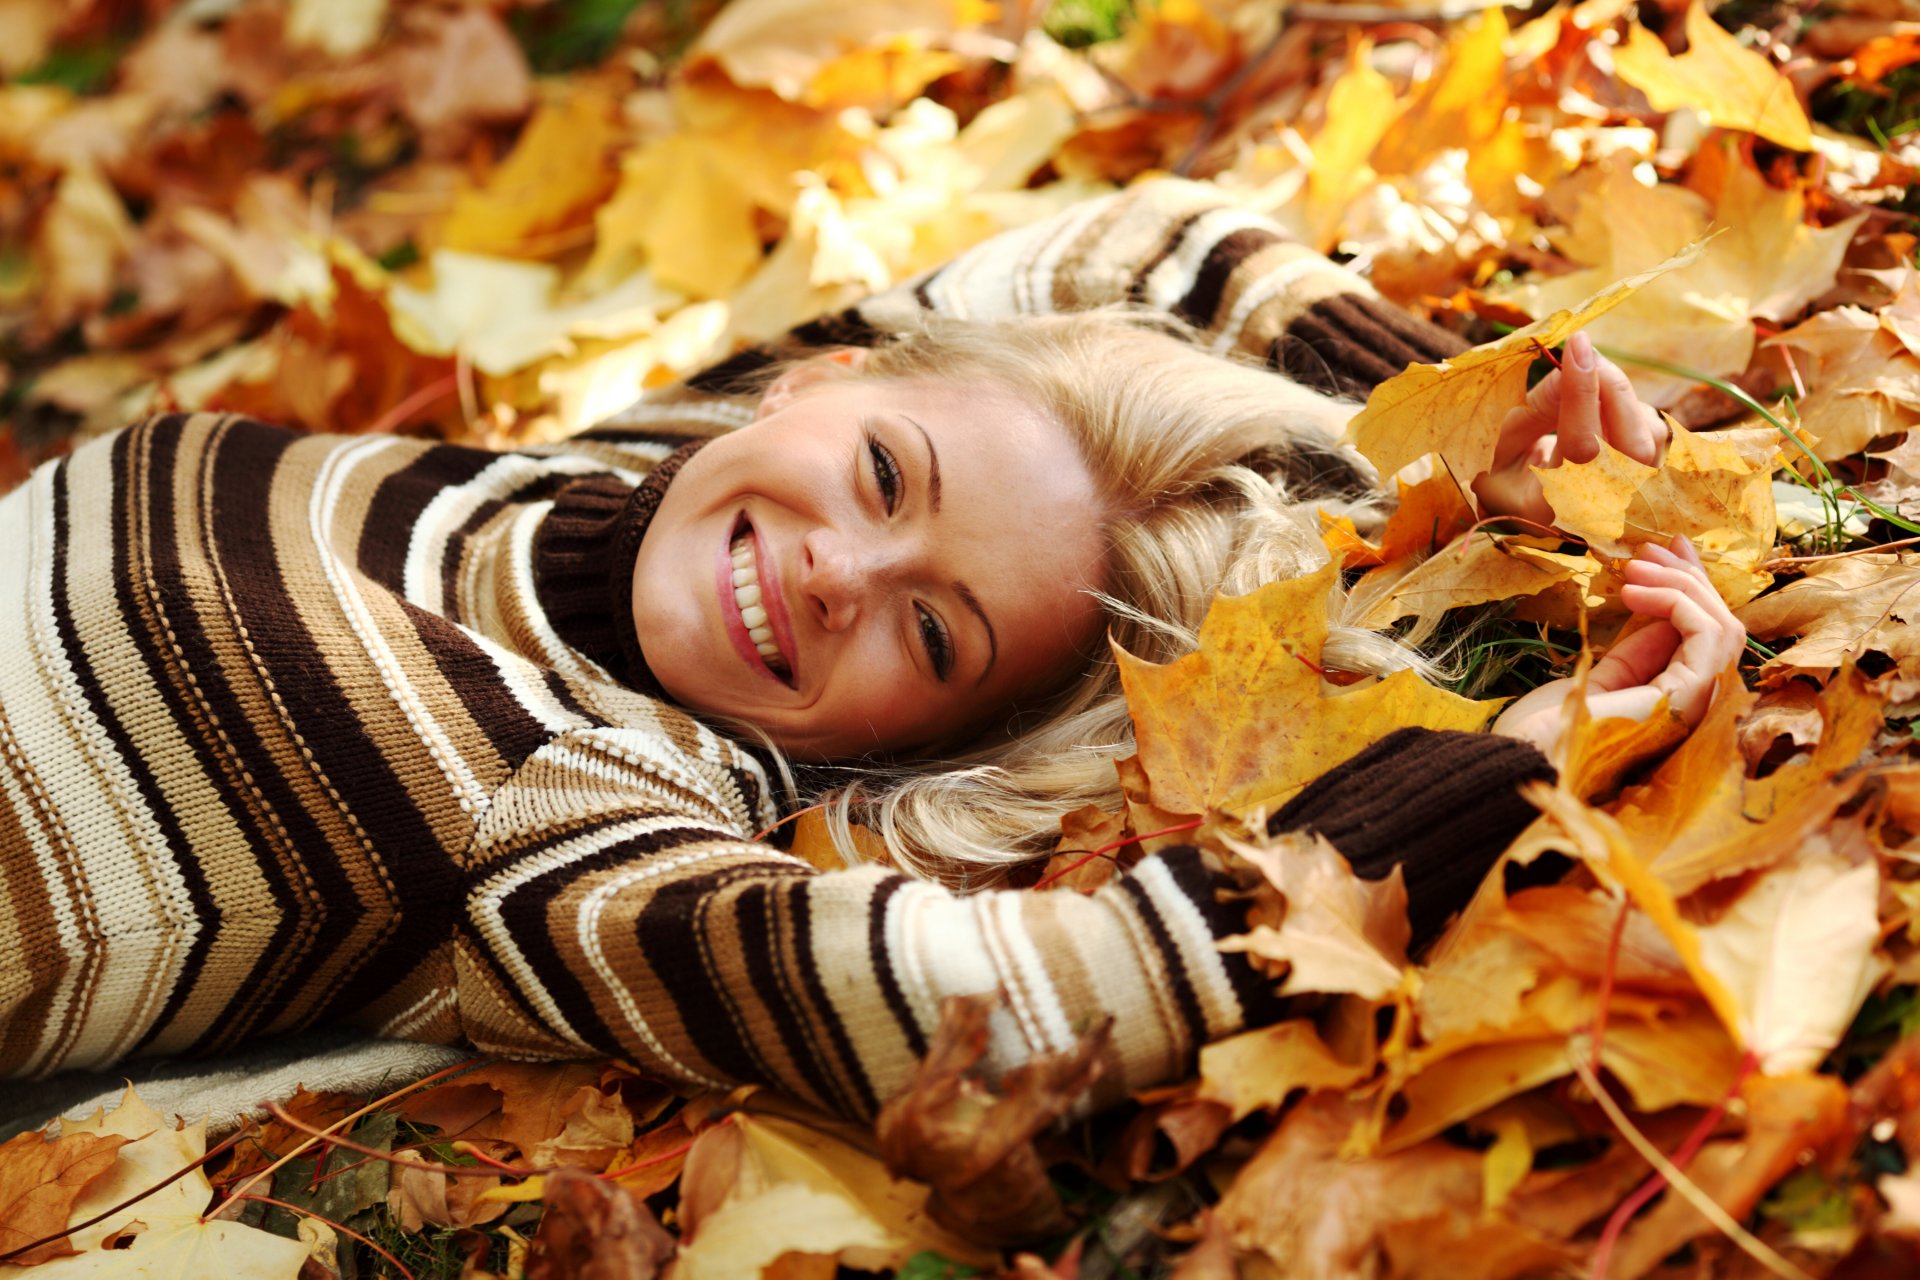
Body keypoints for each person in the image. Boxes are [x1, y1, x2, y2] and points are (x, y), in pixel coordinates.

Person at [0, 179, 1741, 1122]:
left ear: (923, 738)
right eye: (887, 475)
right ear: (820, 379)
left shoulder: (575, 797)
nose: (839, 571)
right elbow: (1144, 238)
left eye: (933, 628)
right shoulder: (633, 468)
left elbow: (1008, 1006)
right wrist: (1445, 418)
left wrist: (1523, 753)